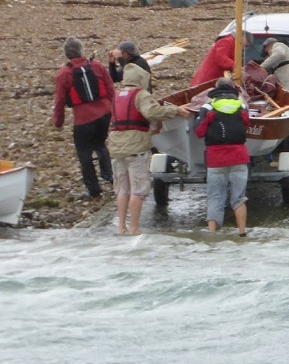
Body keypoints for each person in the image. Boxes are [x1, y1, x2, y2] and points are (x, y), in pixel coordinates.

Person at [107, 64, 189, 235]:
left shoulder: (117, 95)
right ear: (141, 79)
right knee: (138, 189)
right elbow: (152, 112)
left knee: (122, 189)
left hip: (116, 146)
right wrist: (176, 111)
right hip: (135, 146)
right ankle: (134, 228)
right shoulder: (141, 95)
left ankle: (121, 227)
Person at [53, 36, 116, 200]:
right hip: (104, 113)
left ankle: (93, 189)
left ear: (66, 54)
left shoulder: (64, 73)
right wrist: (114, 110)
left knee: (84, 153)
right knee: (101, 144)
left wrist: (58, 121)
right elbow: (110, 88)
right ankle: (108, 175)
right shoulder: (96, 65)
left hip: (83, 118)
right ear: (81, 50)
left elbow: (59, 100)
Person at [194, 78, 250, 236]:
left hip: (216, 158)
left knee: (215, 197)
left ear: (215, 90)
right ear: (233, 90)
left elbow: (198, 132)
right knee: (239, 198)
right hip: (239, 156)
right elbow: (246, 125)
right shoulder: (241, 106)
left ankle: (212, 233)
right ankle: (242, 232)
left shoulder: (207, 107)